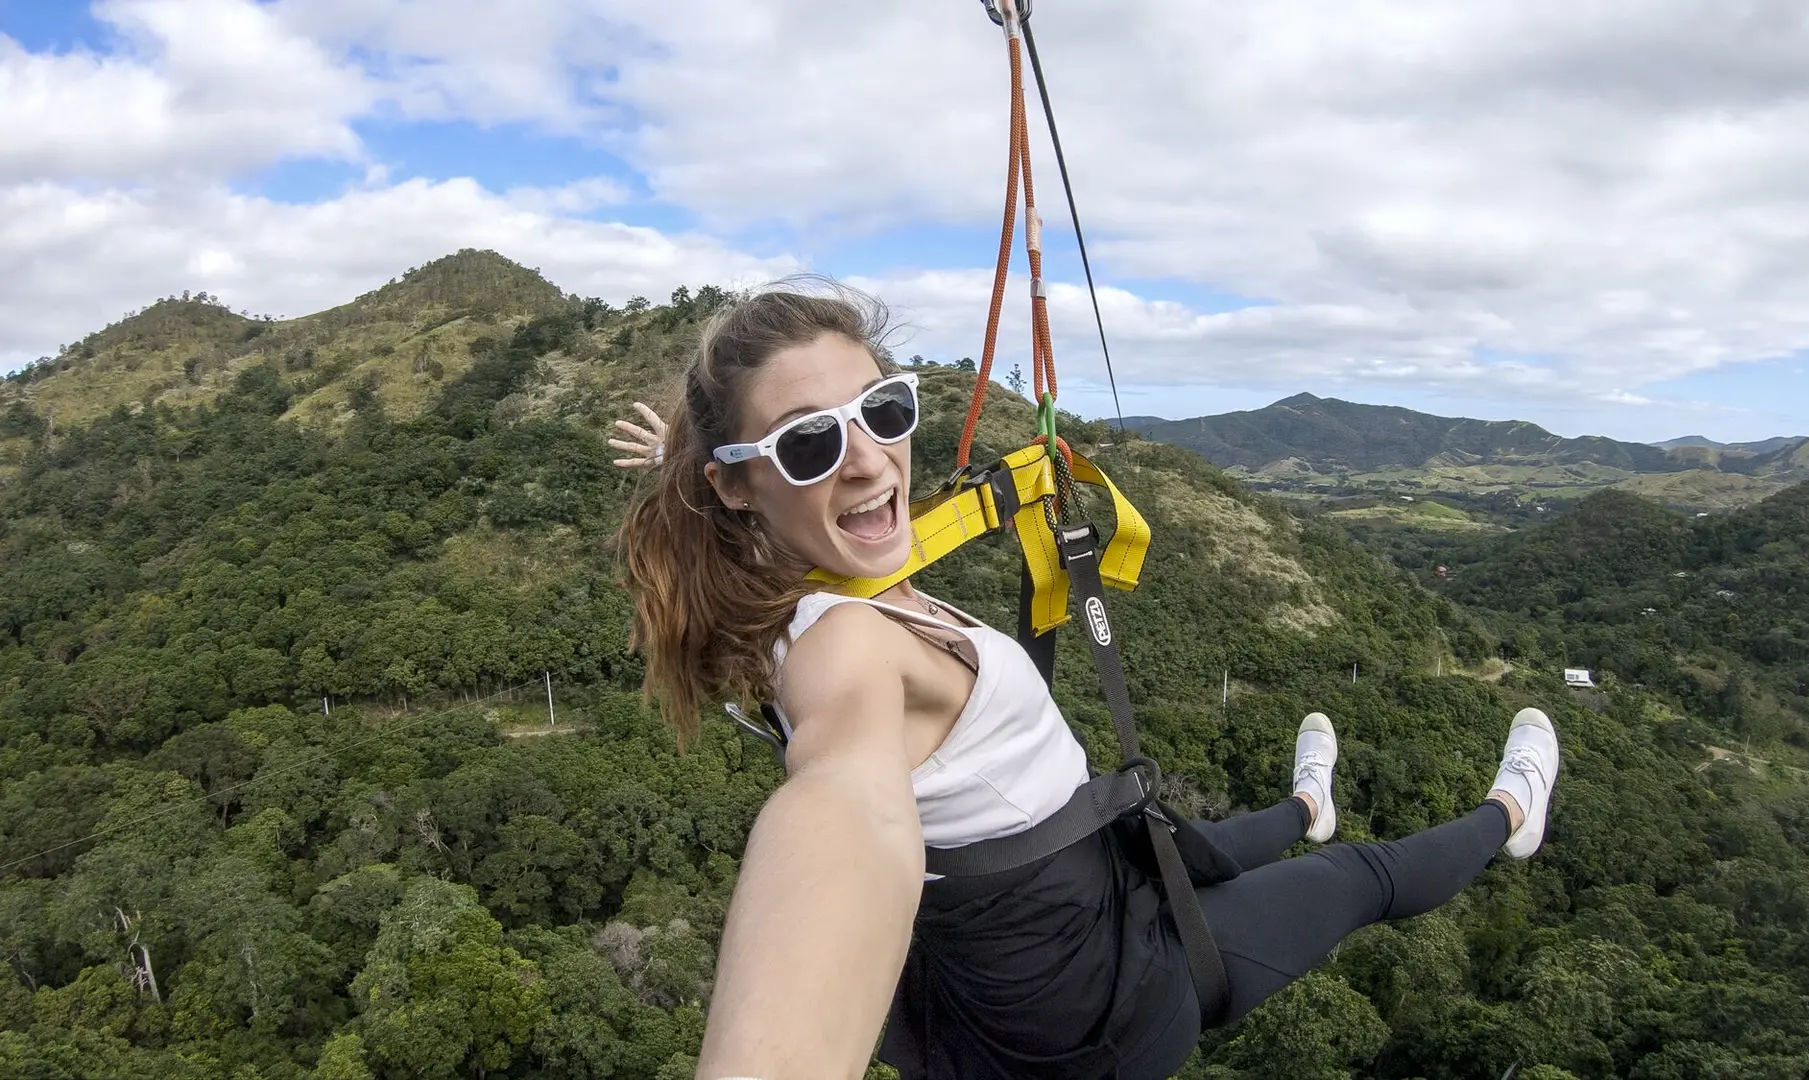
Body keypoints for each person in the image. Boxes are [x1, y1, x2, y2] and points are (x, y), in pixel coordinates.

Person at [609, 281, 1561, 1080]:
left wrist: (694, 462)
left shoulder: (792, 574)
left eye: (883, 411)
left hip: (1078, 888)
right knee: (1361, 879)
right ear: (737, 485)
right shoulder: (841, 645)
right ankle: (1513, 814)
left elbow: (784, 500)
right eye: (807, 444)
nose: (865, 459)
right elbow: (840, 806)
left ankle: (1307, 805)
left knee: (1224, 842)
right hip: (1099, 997)